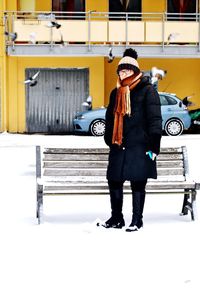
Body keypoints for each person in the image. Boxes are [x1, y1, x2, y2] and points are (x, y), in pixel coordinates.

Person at [103, 48, 162, 232]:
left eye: (127, 70)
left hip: (140, 146)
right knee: (114, 180)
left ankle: (137, 220)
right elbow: (110, 117)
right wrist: (109, 137)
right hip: (118, 145)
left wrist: (154, 146)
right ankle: (116, 217)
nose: (123, 73)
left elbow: (155, 120)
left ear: (135, 72)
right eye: (121, 70)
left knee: (138, 181)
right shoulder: (116, 92)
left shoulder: (147, 90)